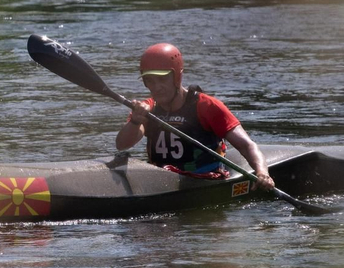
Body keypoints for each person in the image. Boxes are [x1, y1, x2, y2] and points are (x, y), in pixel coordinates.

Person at [115, 42, 275, 189]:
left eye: (162, 79)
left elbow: (247, 145)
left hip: (204, 180)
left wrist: (262, 173)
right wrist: (135, 121)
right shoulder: (148, 108)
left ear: (177, 76)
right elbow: (122, 144)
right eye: (149, 80)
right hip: (162, 181)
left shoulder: (206, 106)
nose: (156, 87)